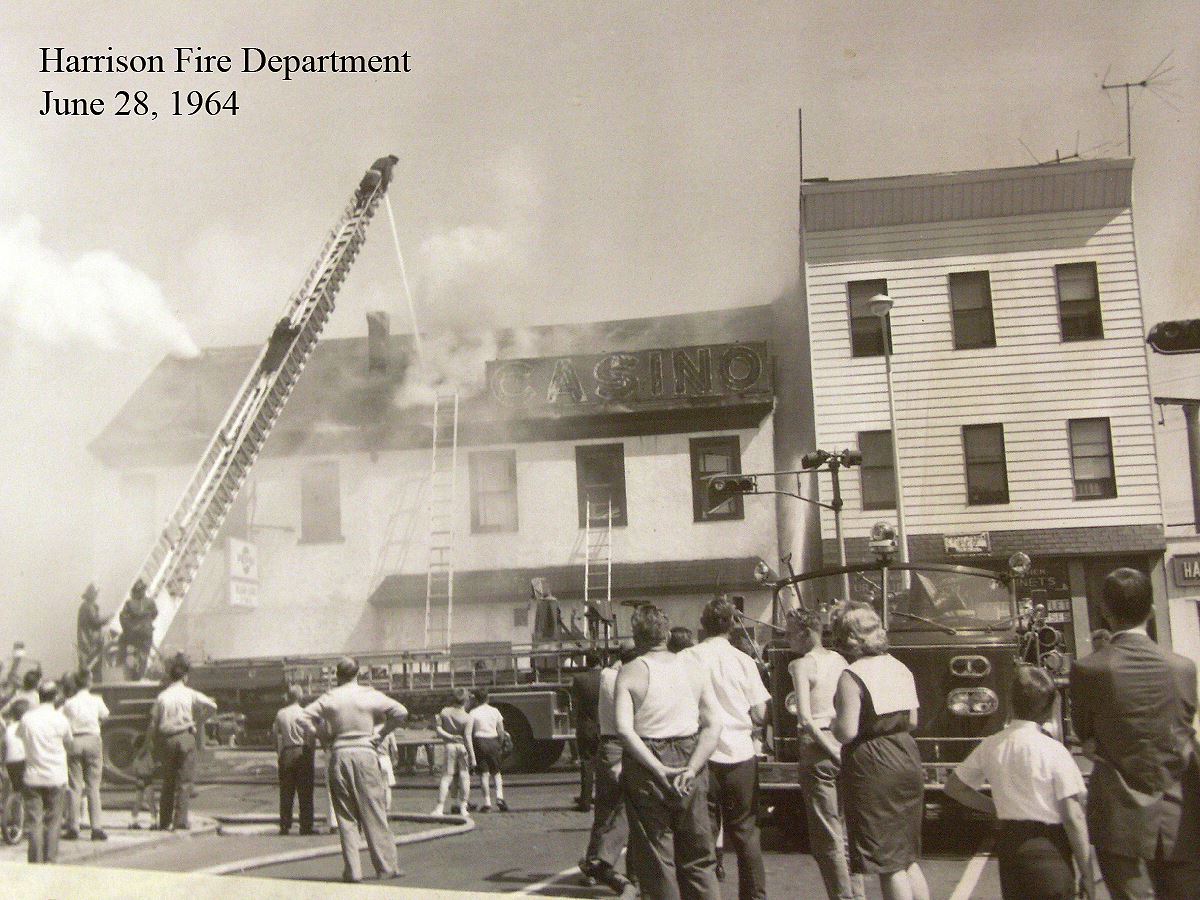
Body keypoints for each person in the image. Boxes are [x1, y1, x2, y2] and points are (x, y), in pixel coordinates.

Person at [1069, 567, 1199, 899]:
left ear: (1105, 613)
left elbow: (1086, 740)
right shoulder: (1183, 668)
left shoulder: (1089, 670)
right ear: (1152, 611)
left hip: (1120, 820)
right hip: (1181, 817)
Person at [946, 665, 1093, 899]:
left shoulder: (992, 745)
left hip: (1011, 850)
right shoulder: (1054, 751)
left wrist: (995, 807)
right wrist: (1087, 872)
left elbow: (955, 787)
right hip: (1050, 850)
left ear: (1011, 704)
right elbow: (1073, 816)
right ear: (1049, 710)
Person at [615, 602, 722, 900]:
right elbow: (713, 725)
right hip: (691, 753)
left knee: (657, 856)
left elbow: (624, 730)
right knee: (700, 855)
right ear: (666, 634)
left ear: (637, 636)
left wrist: (657, 767)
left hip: (648, 759)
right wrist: (691, 768)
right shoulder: (694, 667)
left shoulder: (630, 672)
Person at [832, 605, 929, 900]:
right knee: (907, 857)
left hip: (873, 764)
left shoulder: (852, 675)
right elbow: (912, 721)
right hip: (906, 754)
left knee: (888, 862)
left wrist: (832, 724)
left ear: (848, 638)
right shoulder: (900, 667)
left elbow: (847, 731)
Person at [680, 596, 770, 900]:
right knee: (745, 832)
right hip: (741, 754)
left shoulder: (687, 658)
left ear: (703, 625)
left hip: (701, 756)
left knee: (702, 834)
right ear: (732, 625)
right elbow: (759, 713)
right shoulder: (744, 661)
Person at [299, 656, 407, 883]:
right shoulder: (370, 695)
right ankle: (386, 866)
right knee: (374, 812)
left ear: (337, 675)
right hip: (365, 753)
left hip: (339, 754)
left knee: (346, 817)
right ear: (358, 673)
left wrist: (322, 735)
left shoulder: (330, 697)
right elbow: (401, 712)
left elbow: (302, 716)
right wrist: (382, 733)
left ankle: (353, 870)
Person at [786, 607, 864, 900]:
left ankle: (843, 897)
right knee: (845, 831)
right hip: (843, 741)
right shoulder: (839, 659)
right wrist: (839, 745)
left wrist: (827, 746)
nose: (787, 639)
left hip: (817, 748)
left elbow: (805, 717)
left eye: (790, 633)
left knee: (826, 837)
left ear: (806, 633)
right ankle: (858, 894)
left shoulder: (800, 665)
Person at [580, 643, 637, 895]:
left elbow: (607, 668)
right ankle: (628, 870)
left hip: (608, 744)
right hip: (627, 743)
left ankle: (593, 864)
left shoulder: (605, 676)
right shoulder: (629, 679)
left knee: (604, 809)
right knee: (631, 807)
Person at [149, 653, 217, 831]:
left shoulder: (162, 696)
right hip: (186, 737)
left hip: (168, 739)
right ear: (185, 677)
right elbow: (212, 706)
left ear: (171, 677)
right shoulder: (191, 693)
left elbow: (154, 721)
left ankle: (164, 822)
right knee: (185, 782)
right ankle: (180, 821)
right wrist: (200, 720)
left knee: (168, 781)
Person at [17, 680, 73, 863]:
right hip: (56, 775)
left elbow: (20, 736)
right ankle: (50, 860)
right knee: (53, 821)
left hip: (33, 776)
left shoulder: (27, 718)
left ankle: (34, 861)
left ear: (39, 696)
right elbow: (69, 744)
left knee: (34, 822)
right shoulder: (61, 719)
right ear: (56, 696)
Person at [62, 668, 109, 841]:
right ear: (89, 681)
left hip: (75, 740)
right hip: (92, 739)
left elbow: (63, 721)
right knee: (93, 786)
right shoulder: (96, 700)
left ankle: (73, 826)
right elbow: (105, 716)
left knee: (75, 785)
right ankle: (96, 827)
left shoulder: (69, 703)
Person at [272, 684, 315, 835]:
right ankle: (306, 825)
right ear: (300, 697)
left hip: (287, 752)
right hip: (302, 750)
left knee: (286, 791)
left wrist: (279, 752)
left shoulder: (280, 714)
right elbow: (310, 734)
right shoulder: (305, 713)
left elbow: (275, 735)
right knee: (305, 791)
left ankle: (285, 825)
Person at [432, 687, 475, 816]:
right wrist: (472, 756)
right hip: (462, 747)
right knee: (464, 776)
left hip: (449, 746)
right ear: (466, 701)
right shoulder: (468, 718)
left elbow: (438, 729)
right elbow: (467, 738)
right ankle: (463, 807)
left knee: (446, 777)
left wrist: (450, 737)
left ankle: (439, 807)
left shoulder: (445, 712)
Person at [572, 654, 603, 812]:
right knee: (604, 764)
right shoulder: (607, 677)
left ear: (587, 663)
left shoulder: (579, 679)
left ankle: (585, 801)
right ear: (600, 662)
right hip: (603, 726)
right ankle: (603, 798)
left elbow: (575, 702)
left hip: (586, 727)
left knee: (586, 763)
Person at [469, 688, 509, 812]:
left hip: (479, 741)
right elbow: (501, 730)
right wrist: (500, 744)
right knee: (496, 772)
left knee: (484, 774)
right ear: (488, 698)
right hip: (493, 741)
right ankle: (500, 797)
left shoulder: (473, 713)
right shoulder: (495, 711)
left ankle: (487, 803)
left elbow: (469, 731)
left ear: (475, 699)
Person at [118, 579, 157, 679]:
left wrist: (130, 629)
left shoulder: (129, 603)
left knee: (134, 655)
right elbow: (155, 614)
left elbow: (123, 617)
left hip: (135, 634)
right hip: (144, 634)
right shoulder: (150, 602)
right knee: (142, 656)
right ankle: (138, 675)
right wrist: (146, 623)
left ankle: (134, 675)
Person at [128, 729, 160, 830]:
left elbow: (134, 769)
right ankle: (154, 822)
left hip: (139, 779)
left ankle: (133, 821)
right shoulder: (147, 755)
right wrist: (157, 766)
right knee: (151, 802)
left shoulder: (136, 756)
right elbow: (151, 768)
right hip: (147, 780)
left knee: (138, 802)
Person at [77, 584, 106, 681]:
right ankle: (93, 683)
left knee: (93, 664)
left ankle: (92, 682)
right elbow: (95, 621)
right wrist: (107, 619)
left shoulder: (89, 606)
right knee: (91, 664)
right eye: (95, 594)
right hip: (89, 641)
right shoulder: (87, 606)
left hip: (91, 640)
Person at [2, 699, 30, 795]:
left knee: (15, 790)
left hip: (11, 761)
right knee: (24, 791)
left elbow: (4, 746)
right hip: (23, 760)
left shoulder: (9, 729)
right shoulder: (27, 726)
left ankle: (9, 807)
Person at [375, 723, 398, 812]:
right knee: (387, 786)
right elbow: (394, 748)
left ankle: (378, 807)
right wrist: (395, 760)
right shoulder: (389, 731)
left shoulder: (372, 730)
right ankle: (387, 807)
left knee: (375, 785)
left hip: (375, 758)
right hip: (385, 758)